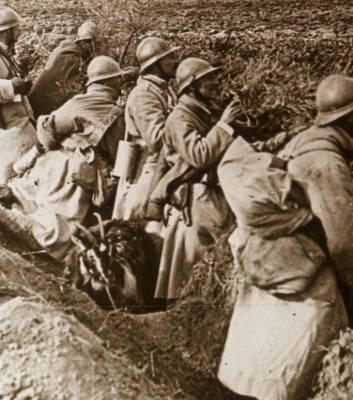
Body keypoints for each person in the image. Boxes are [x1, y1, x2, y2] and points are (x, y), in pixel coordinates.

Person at [217, 74, 353, 400]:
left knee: (254, 365)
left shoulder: (304, 140)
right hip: (307, 277)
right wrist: (347, 283)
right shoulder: (328, 162)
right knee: (292, 371)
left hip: (272, 263)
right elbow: (342, 239)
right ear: (346, 117)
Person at [0, 56, 129, 260]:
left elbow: (47, 131)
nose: (121, 83)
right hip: (77, 173)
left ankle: (11, 214)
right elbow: (117, 158)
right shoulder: (116, 115)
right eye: (117, 78)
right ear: (107, 82)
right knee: (56, 228)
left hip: (52, 162)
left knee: (29, 198)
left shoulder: (77, 101)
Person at [153, 57, 242, 301]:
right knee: (193, 270)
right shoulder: (180, 118)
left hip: (210, 197)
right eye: (207, 79)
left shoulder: (203, 111)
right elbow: (199, 154)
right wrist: (224, 125)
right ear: (192, 87)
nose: (215, 83)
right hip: (195, 200)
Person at [114, 37, 179, 227]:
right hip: (146, 172)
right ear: (155, 65)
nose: (175, 61)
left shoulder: (161, 90)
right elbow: (156, 139)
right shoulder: (145, 94)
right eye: (169, 58)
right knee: (142, 227)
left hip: (160, 166)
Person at [28, 21, 98, 119]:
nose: (96, 49)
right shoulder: (71, 58)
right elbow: (83, 89)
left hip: (40, 110)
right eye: (93, 44)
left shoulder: (68, 51)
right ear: (82, 42)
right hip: (38, 115)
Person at [0, 6, 37, 184]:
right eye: (17, 28)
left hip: (18, 126)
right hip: (7, 130)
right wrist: (12, 86)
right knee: (8, 179)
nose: (19, 32)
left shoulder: (6, 54)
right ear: (7, 31)